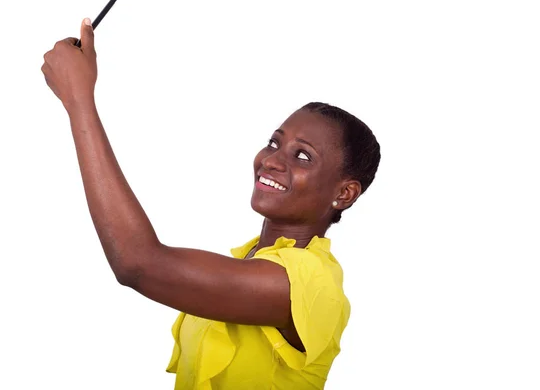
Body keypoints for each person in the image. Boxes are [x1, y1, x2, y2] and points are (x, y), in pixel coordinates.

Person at [42, 19, 381, 390]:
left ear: (344, 193)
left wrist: (79, 101)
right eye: (274, 143)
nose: (271, 160)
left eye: (302, 156)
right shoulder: (249, 260)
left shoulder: (309, 283)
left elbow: (138, 263)